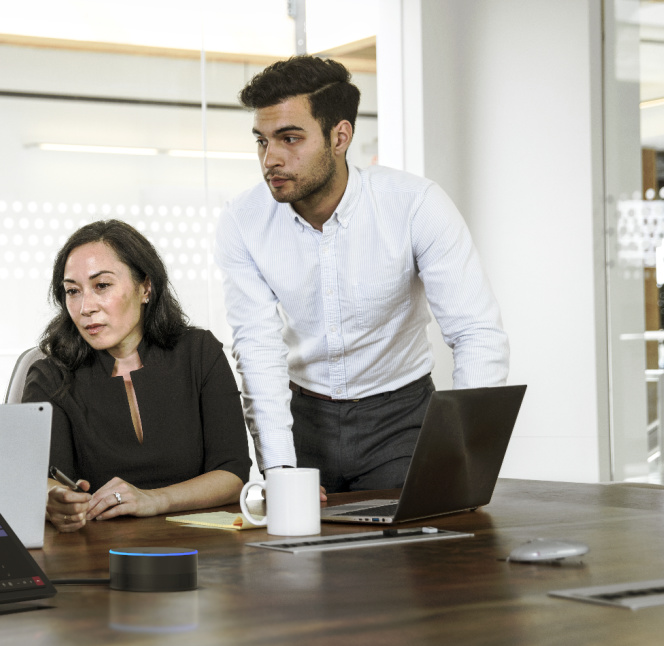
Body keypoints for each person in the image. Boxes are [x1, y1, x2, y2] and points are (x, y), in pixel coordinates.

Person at [215, 56, 510, 493]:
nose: (270, 158)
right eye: (262, 141)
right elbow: (257, 348)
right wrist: (278, 470)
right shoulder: (242, 220)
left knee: (416, 553)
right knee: (301, 557)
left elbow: (476, 333)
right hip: (303, 421)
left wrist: (459, 453)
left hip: (402, 421)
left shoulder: (415, 205)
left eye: (290, 138)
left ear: (340, 136)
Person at [22, 220, 251, 533]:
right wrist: (53, 498)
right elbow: (39, 477)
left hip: (202, 543)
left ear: (145, 287)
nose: (86, 307)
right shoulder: (50, 375)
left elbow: (233, 473)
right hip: (96, 549)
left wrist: (155, 500)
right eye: (73, 291)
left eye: (102, 286)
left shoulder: (199, 352)